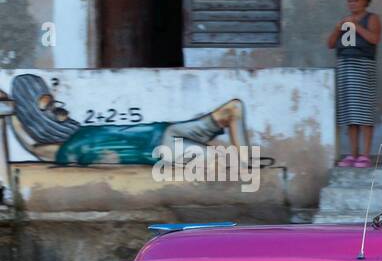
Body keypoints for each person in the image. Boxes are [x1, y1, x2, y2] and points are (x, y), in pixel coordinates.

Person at [2, 73, 252, 166]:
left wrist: (15, 111)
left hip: (161, 137)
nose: (56, 107)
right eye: (46, 104)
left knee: (233, 114)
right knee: (226, 145)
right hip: (161, 143)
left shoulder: (72, 138)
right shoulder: (56, 148)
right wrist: (13, 111)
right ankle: (243, 159)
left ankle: (243, 159)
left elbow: (31, 140)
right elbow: (28, 142)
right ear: (31, 115)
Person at [327, 0, 382, 167]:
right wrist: (338, 28)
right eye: (349, 1)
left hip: (363, 66)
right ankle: (353, 154)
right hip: (345, 65)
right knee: (349, 112)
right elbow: (330, 44)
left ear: (365, 1)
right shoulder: (344, 21)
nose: (352, 4)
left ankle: (365, 154)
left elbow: (374, 39)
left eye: (355, 0)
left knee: (363, 111)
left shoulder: (371, 18)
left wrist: (356, 25)